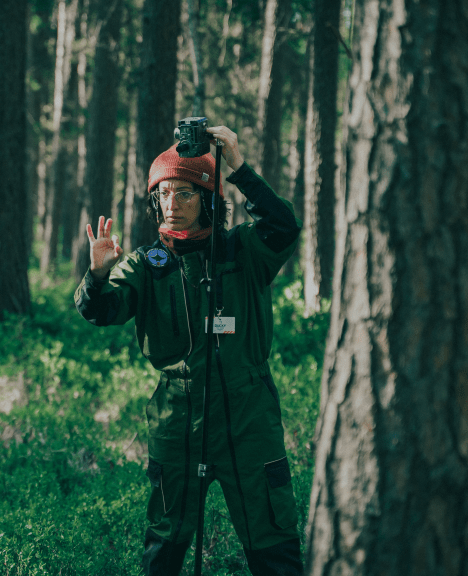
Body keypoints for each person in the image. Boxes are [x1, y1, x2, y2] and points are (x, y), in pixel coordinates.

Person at [75, 125, 303, 576]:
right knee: (164, 544)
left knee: (273, 543)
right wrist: (98, 274)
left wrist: (236, 165)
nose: (171, 205)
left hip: (249, 417)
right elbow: (102, 311)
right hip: (177, 420)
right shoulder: (147, 265)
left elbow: (283, 225)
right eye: (163, 194)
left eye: (185, 193)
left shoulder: (244, 250)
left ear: (209, 200)